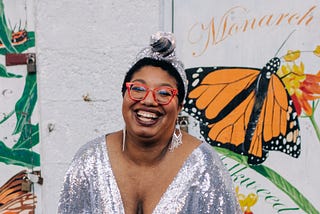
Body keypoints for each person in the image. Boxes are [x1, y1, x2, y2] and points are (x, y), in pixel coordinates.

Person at [58, 31, 241, 214]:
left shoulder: (203, 166)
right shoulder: (89, 161)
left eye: (164, 93)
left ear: (179, 107)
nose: (149, 101)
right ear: (124, 95)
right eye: (138, 89)